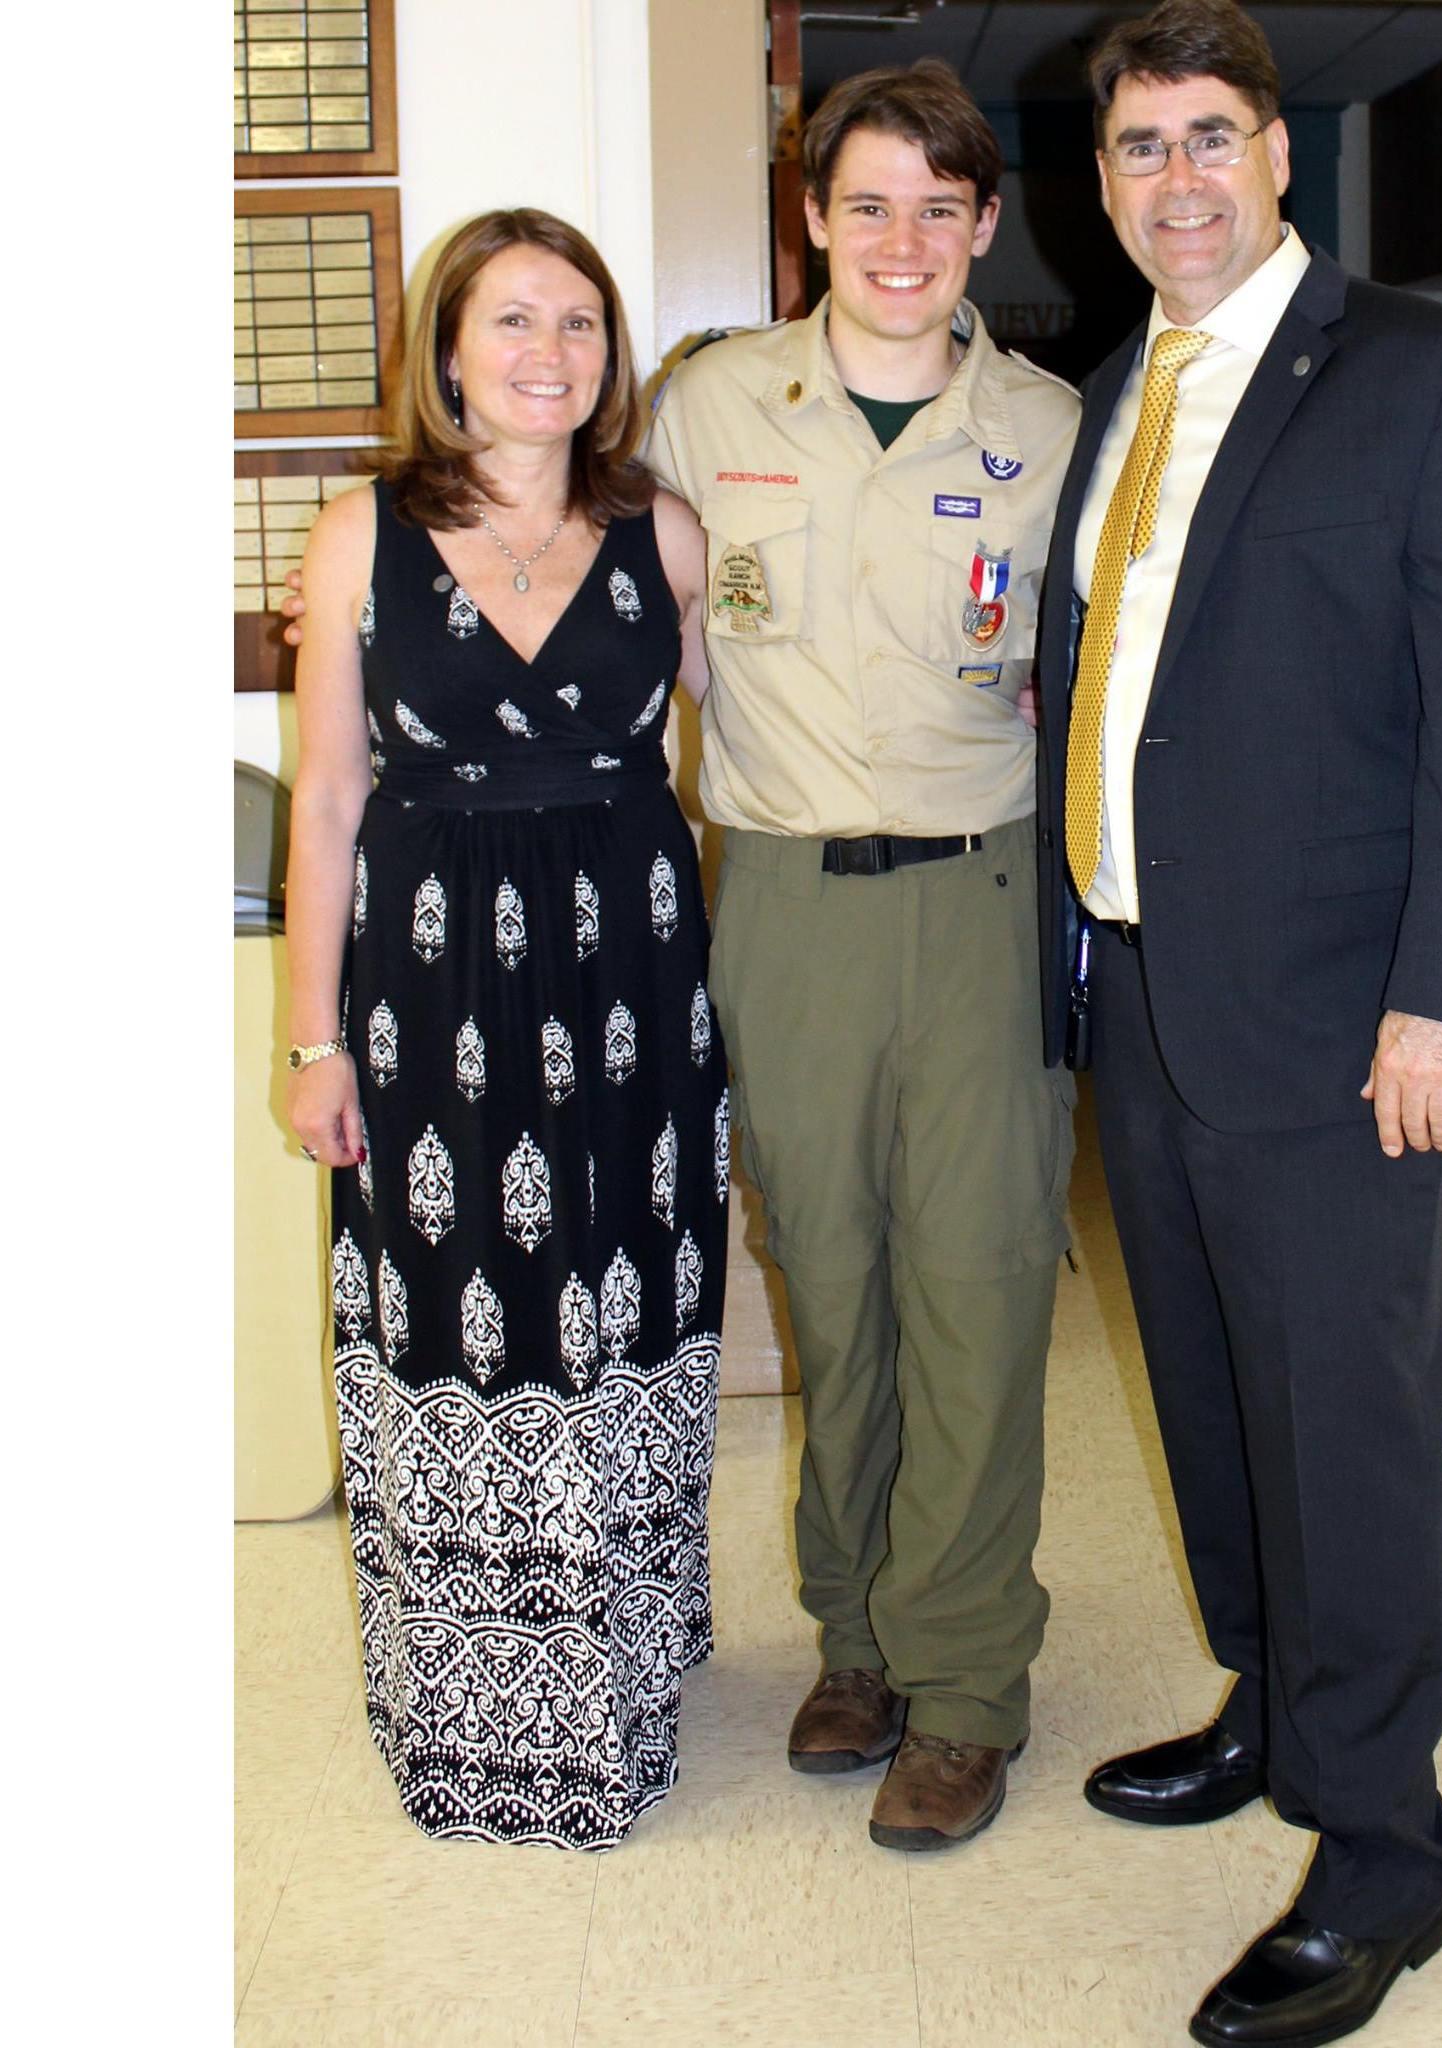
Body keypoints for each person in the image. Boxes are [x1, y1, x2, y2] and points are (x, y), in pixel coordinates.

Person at [1034, 4, 1442, 2041]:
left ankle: (1380, 1851)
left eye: (1206, 138)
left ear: (1274, 156)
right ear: (1100, 186)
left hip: (1346, 1021)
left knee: (1344, 1434)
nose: (1171, 179)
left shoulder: (1421, 380)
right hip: (1147, 992)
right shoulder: (1115, 396)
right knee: (1211, 1393)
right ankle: (1266, 1709)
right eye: (1134, 148)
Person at [643, 62, 1081, 1850]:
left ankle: (968, 1682)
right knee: (829, 1285)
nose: (902, 239)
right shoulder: (708, 402)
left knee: (975, 1285)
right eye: (867, 201)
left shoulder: (1053, 427)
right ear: (812, 214)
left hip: (980, 898)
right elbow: (633, 625)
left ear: (984, 226)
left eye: (940, 205)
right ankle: (859, 1639)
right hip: (789, 902)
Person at [284, 207, 727, 1850]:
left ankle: (618, 1664)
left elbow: (742, 733)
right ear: (450, 353)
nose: (552, 356)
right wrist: (312, 1038)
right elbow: (328, 796)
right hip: (429, 988)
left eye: (582, 326)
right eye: (515, 323)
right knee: (463, 1323)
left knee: (619, 1305)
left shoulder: (664, 532)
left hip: (630, 983)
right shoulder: (357, 538)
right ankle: (471, 1707)